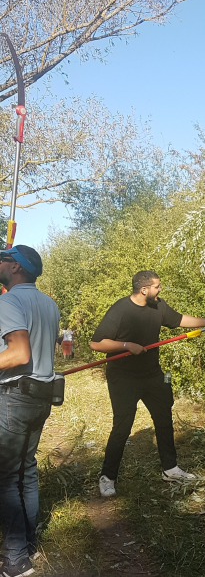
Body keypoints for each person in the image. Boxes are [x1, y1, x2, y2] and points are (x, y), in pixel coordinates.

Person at [90, 270, 205, 498]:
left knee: (164, 418)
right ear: (144, 290)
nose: (160, 289)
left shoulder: (158, 306)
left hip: (152, 374)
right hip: (123, 377)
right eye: (157, 286)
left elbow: (180, 319)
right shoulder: (120, 309)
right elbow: (97, 343)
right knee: (122, 426)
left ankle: (170, 469)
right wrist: (127, 345)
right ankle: (108, 477)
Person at [0, 245, 60, 577]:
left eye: (3, 260)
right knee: (27, 471)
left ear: (16, 268)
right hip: (40, 397)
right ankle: (27, 543)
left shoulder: (8, 301)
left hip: (13, 397)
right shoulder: (49, 303)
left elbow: (19, 352)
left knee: (7, 478)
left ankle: (15, 560)